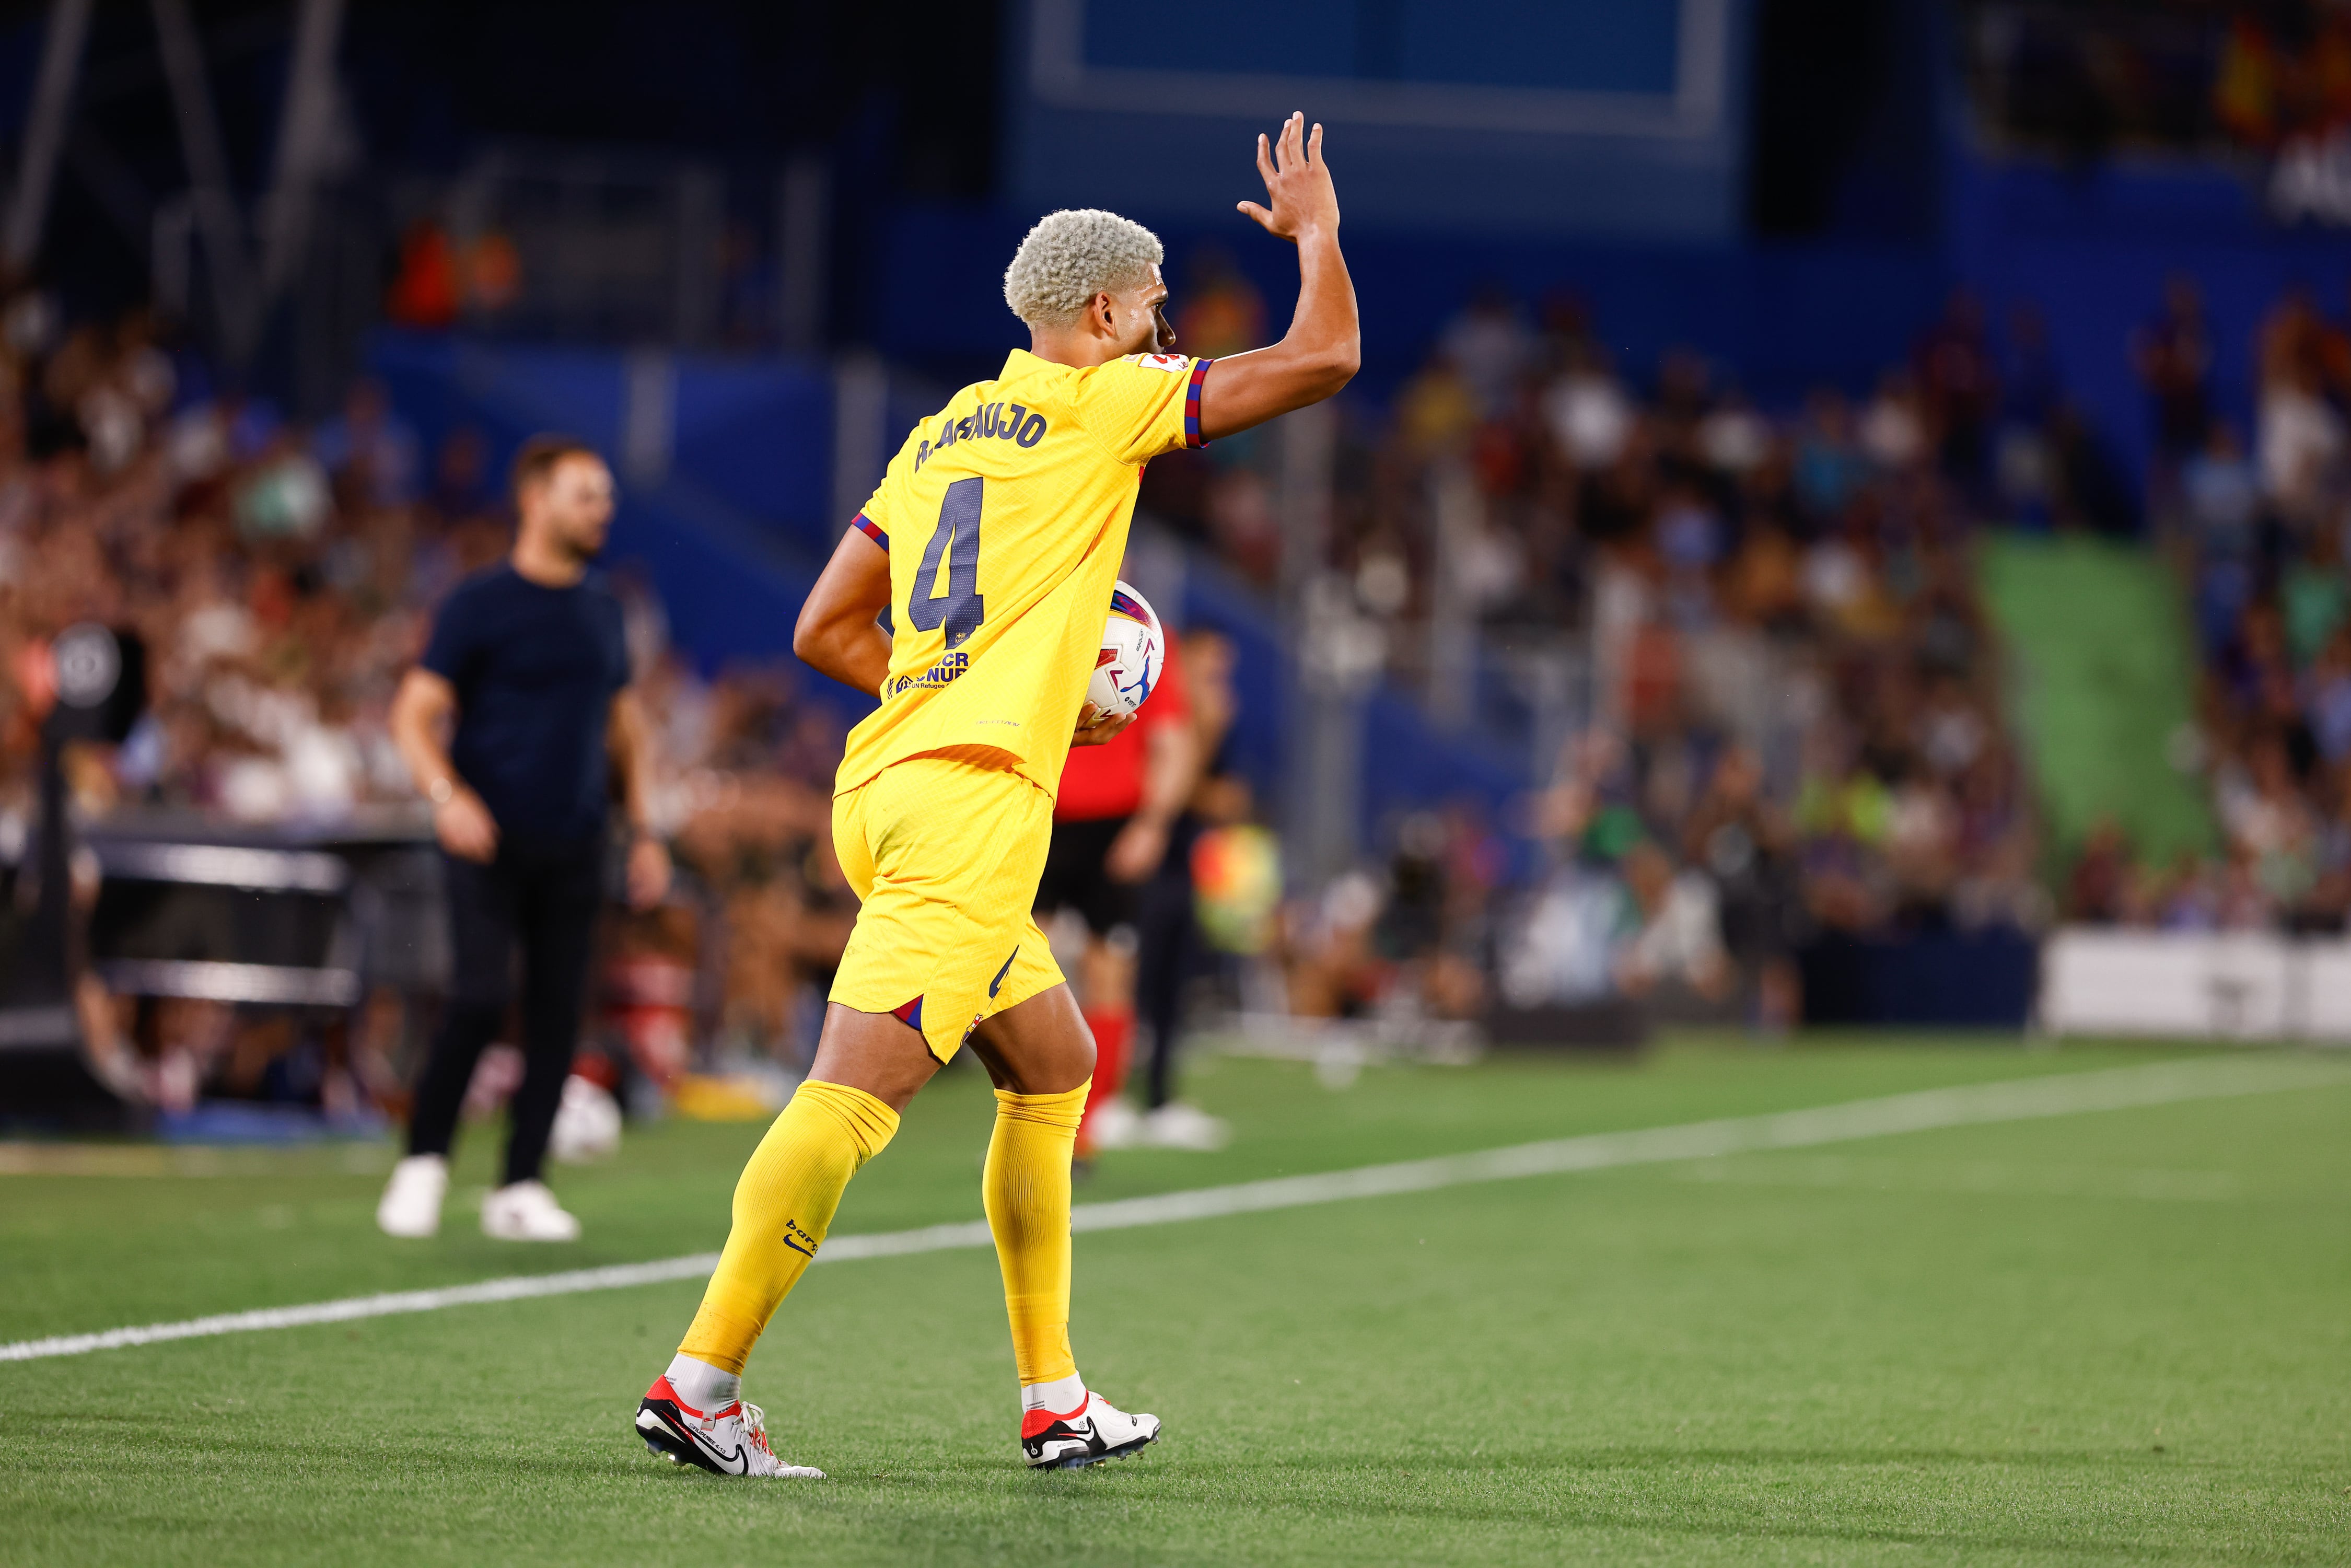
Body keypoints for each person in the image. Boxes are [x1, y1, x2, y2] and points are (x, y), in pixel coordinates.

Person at [633, 111, 1357, 1478]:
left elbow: (822, 627)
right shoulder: (1104, 402)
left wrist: (982, 695)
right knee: (851, 1094)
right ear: (1097, 313)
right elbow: (1324, 357)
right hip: (968, 807)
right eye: (1150, 315)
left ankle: (1054, 1398)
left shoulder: (943, 431)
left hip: (889, 781)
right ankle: (700, 1378)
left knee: (1057, 1066)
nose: (1161, 338)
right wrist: (1314, 230)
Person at [375, 437, 670, 1242]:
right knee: (475, 997)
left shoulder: (605, 609)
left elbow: (625, 730)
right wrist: (447, 796)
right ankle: (424, 1163)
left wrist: (642, 829)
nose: (601, 510)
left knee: (555, 1014)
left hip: (575, 841)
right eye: (585, 494)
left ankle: (520, 1184)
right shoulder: (478, 603)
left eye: (606, 496)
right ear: (534, 499)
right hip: (485, 840)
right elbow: (412, 714)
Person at [1032, 627, 1198, 1155]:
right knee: (1021, 970)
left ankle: (1085, 1125)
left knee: (1110, 973)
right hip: (1042, 814)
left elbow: (1172, 739)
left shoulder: (1146, 634)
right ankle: (1028, 1114)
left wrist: (1152, 823)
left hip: (1113, 824)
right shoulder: (1047, 616)